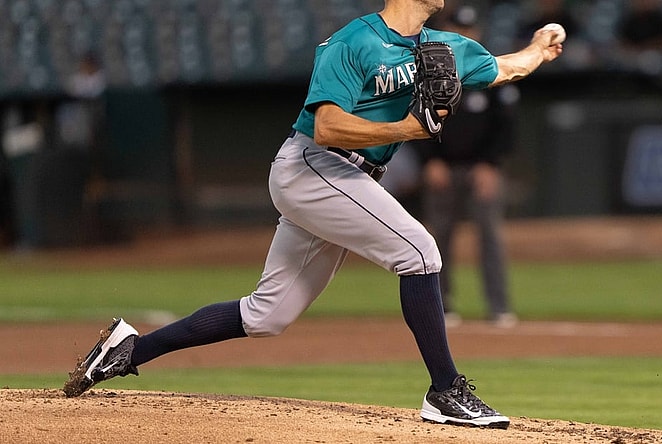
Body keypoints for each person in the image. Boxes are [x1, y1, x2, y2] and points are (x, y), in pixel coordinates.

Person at [64, 0, 563, 429]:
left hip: (348, 179)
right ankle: (446, 391)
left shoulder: (444, 47)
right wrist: (410, 129)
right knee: (420, 252)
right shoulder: (351, 43)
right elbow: (326, 126)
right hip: (312, 166)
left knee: (267, 315)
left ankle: (129, 350)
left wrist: (540, 47)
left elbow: (507, 67)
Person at [414, 5, 519, 328]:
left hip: (481, 170)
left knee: (490, 237)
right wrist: (430, 160)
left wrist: (490, 164)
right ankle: (441, 307)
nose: (463, 36)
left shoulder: (489, 74)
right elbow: (415, 120)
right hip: (443, 168)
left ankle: (499, 307)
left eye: (469, 31)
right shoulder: (428, 73)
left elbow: (506, 128)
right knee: (437, 240)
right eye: (457, 30)